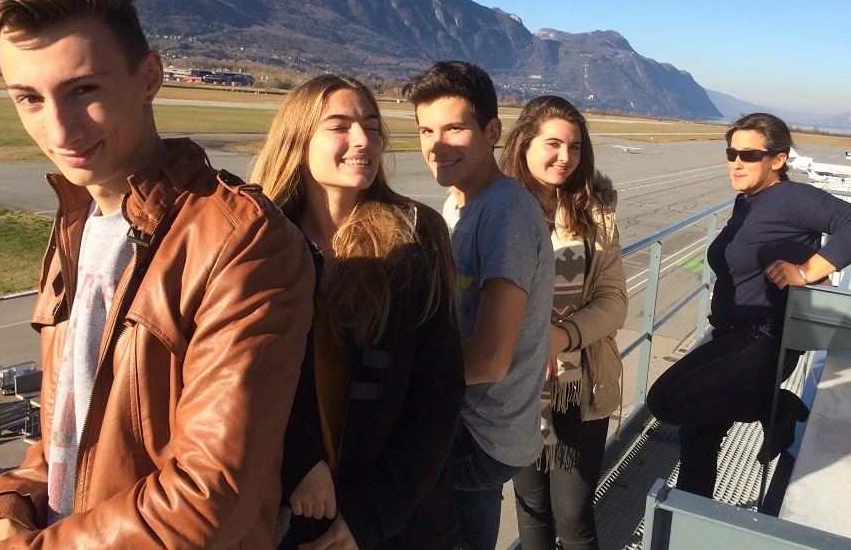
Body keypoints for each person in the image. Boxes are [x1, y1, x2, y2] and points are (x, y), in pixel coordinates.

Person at [0, 0, 315, 549]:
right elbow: (72, 426)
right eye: (29, 98)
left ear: (149, 77)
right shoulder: (77, 219)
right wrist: (5, 501)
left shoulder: (242, 241)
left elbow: (209, 497)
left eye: (84, 90)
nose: (59, 128)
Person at [249, 74, 465, 550]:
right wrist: (297, 457)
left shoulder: (416, 234)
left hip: (394, 521)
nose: (363, 140)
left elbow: (439, 391)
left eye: (371, 124)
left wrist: (371, 512)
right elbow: (232, 376)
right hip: (289, 514)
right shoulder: (253, 239)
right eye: (340, 125)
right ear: (297, 137)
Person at [646, 113, 851, 498]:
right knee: (697, 440)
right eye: (731, 152)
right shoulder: (749, 203)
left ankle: (776, 407)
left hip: (762, 339)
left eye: (749, 154)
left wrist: (807, 271)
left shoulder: (792, 197)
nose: (736, 162)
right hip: (732, 337)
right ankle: (689, 522)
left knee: (666, 400)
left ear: (778, 159)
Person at [404, 60, 554, 550]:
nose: (435, 146)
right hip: (483, 425)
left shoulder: (504, 213)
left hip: (479, 435)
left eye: (453, 128)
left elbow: (490, 358)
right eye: (426, 130)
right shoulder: (459, 202)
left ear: (492, 131)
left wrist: (397, 373)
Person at [499, 96, 628, 550]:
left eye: (574, 147)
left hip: (582, 385)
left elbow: (614, 300)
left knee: (573, 519)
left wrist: (564, 336)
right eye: (553, 144)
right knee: (530, 513)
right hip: (517, 392)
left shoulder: (596, 209)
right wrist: (535, 345)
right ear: (524, 143)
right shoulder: (494, 208)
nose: (565, 157)